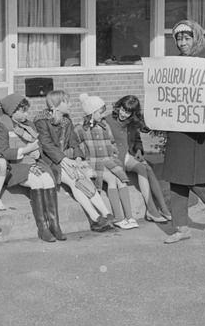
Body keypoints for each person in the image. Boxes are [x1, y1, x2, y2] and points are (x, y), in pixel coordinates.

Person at [160, 20, 205, 244]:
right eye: (178, 38)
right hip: (178, 128)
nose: (182, 43)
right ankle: (181, 227)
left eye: (187, 38)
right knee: (176, 177)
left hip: (199, 130)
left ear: (197, 37)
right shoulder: (174, 63)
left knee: (193, 177)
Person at [34, 90, 117, 233]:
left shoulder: (66, 120)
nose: (71, 105)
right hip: (50, 160)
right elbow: (46, 144)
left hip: (67, 159)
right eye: (67, 102)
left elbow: (73, 140)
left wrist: (78, 156)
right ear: (57, 105)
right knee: (75, 181)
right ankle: (96, 217)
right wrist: (64, 159)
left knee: (84, 179)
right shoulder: (42, 121)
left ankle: (106, 214)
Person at [0, 92, 66, 242]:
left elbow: (39, 145)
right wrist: (26, 150)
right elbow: (4, 151)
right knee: (37, 181)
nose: (27, 114)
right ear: (12, 112)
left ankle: (55, 224)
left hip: (32, 163)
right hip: (16, 167)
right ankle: (43, 227)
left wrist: (36, 153)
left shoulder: (30, 125)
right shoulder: (4, 127)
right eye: (23, 111)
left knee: (48, 180)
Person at [75, 93, 138, 229]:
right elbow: (76, 147)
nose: (102, 116)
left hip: (108, 160)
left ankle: (130, 217)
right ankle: (118, 218)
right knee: (112, 179)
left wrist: (114, 152)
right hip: (94, 163)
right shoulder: (80, 128)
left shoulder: (104, 125)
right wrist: (81, 160)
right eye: (99, 113)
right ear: (91, 113)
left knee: (121, 179)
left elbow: (112, 142)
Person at [109, 95, 173, 223]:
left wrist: (138, 150)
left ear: (133, 113)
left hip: (130, 155)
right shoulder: (108, 120)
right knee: (144, 168)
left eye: (127, 112)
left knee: (147, 168)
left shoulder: (133, 123)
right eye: (122, 109)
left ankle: (161, 208)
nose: (123, 114)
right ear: (118, 106)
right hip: (117, 157)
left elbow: (138, 140)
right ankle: (153, 210)